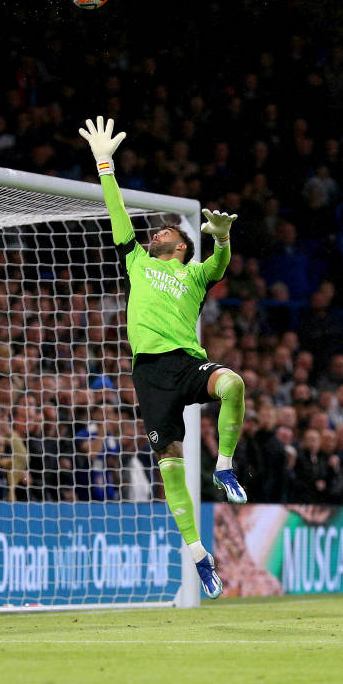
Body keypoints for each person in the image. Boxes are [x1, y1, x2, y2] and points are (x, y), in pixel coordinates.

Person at [79, 115, 247, 598]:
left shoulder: (193, 274)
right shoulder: (137, 261)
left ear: (182, 246)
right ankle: (200, 557)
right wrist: (105, 165)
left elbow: (219, 263)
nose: (157, 233)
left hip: (185, 361)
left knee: (233, 383)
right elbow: (117, 214)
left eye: (167, 232)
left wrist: (222, 237)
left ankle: (225, 466)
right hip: (149, 374)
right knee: (168, 461)